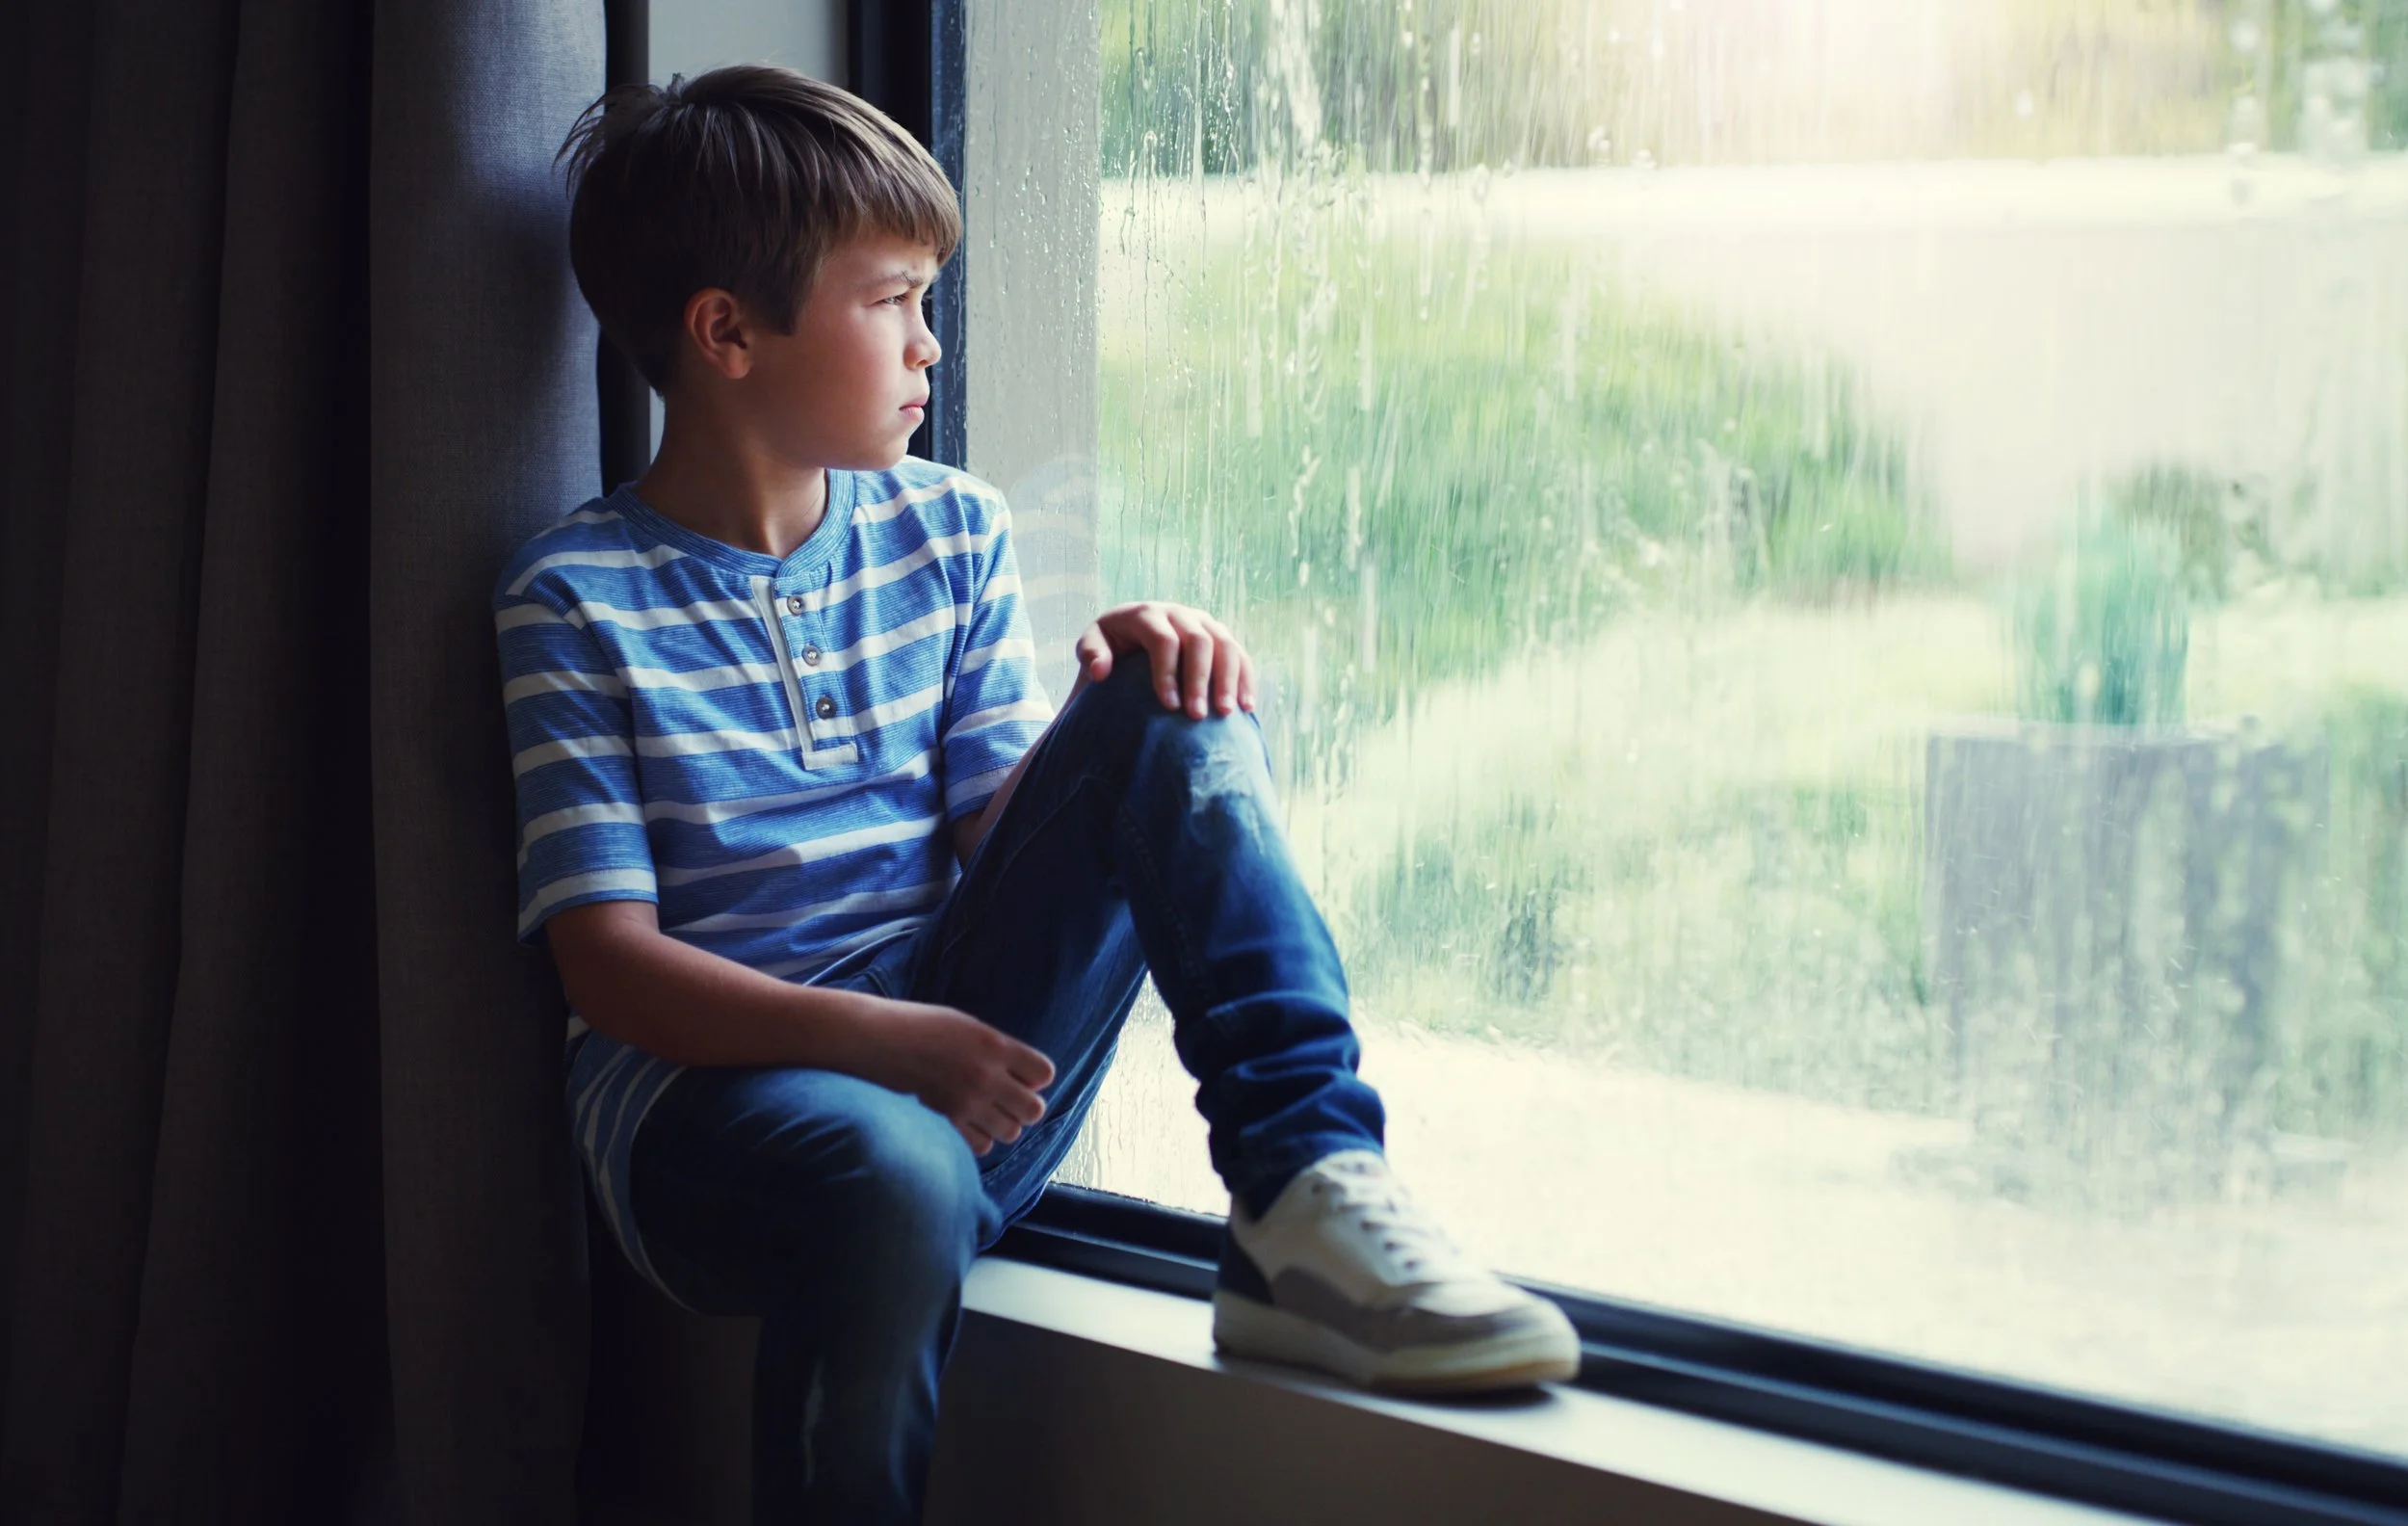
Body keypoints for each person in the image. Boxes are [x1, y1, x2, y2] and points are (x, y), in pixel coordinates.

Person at [496, 63, 1579, 1524]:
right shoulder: (575, 597)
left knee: (1162, 692)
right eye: (892, 304)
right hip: (710, 1120)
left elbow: (989, 835)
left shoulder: (949, 532)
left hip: (950, 1040)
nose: (928, 347)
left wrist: (1103, 732)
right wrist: (888, 1045)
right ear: (727, 332)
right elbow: (609, 971)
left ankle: (1305, 1194)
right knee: (896, 1175)